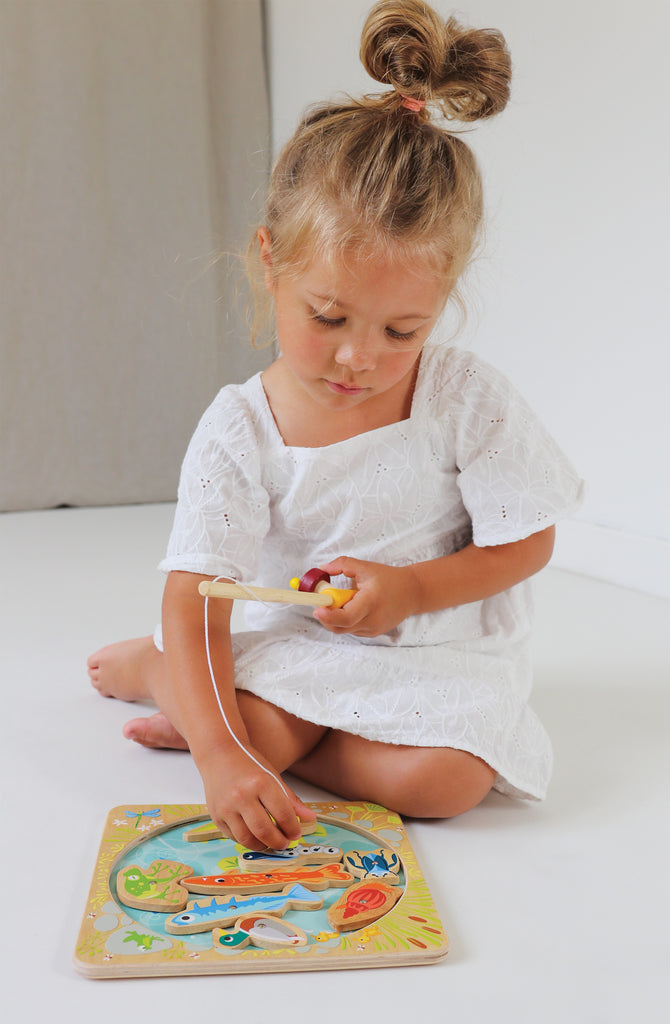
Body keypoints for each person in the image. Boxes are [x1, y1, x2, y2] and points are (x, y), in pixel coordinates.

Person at [88, 0, 582, 853]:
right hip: (292, 645)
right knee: (254, 741)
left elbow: (525, 543)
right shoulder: (242, 427)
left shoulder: (463, 396)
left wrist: (411, 591)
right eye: (328, 317)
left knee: (444, 782)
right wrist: (222, 760)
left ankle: (237, 714)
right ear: (269, 262)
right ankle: (168, 674)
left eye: (402, 332)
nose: (359, 359)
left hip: (436, 648)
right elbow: (198, 594)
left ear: (443, 303)